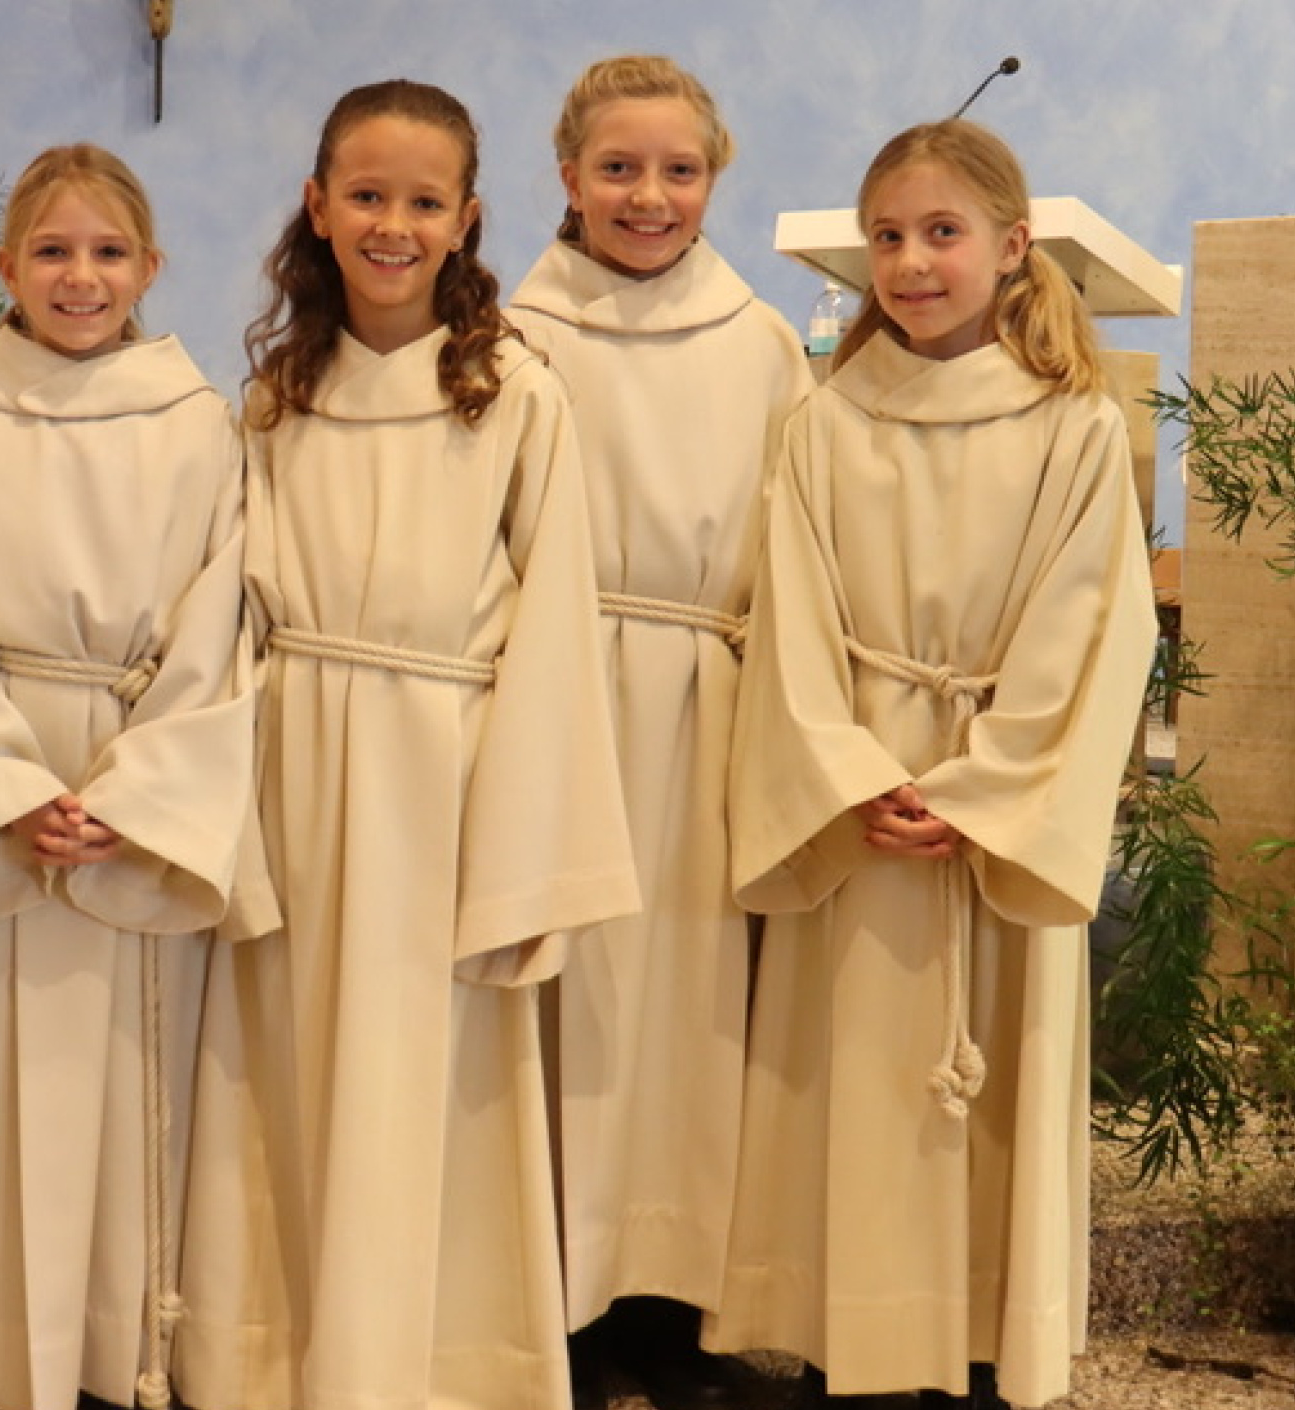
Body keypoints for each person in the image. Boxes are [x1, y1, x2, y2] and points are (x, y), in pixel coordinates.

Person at [174, 78, 637, 1410]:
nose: (392, 224)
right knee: (284, 1069)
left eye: (423, 201)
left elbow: (556, 628)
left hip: (445, 776)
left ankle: (431, 1370)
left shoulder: (513, 396)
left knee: (426, 1079)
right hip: (293, 763)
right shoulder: (275, 398)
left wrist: (521, 850)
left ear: (468, 218)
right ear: (316, 207)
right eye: (366, 195)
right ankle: (270, 1361)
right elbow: (225, 613)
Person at [708, 119, 1156, 1410]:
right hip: (862, 803)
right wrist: (852, 776)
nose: (909, 262)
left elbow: (1092, 624)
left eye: (941, 233)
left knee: (990, 1092)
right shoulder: (825, 422)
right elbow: (788, 618)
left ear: (1012, 248)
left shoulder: (1073, 427)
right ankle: (844, 1344)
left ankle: (977, 1350)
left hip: (988, 811)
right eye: (888, 237)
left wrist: (980, 791)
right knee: (846, 1080)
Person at [0, 142, 263, 1410]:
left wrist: (138, 791)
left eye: (106, 253)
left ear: (151, 268)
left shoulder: (203, 430)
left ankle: (123, 1347)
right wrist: (1, 788)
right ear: (6, 267)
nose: (79, 277)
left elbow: (223, 621)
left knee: (136, 1085)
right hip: (9, 779)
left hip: (135, 788)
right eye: (51, 251)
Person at [507, 54, 812, 1403]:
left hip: (707, 701)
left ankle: (673, 1315)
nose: (649, 196)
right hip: (555, 696)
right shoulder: (511, 337)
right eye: (619, 168)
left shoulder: (761, 345)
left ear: (714, 177)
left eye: (678, 170)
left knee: (694, 1019)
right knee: (565, 1007)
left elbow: (798, 543)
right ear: (568, 177)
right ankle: (556, 1314)